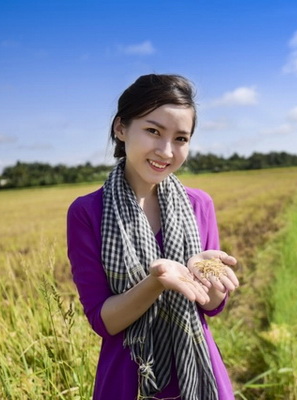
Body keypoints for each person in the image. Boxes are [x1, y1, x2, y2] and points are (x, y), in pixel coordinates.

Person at [66, 74, 239, 400]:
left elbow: (213, 307)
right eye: (153, 131)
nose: (166, 150)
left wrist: (207, 279)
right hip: (127, 380)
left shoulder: (199, 204)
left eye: (181, 139)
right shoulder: (87, 212)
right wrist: (156, 281)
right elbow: (105, 322)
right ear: (121, 128)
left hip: (199, 377)